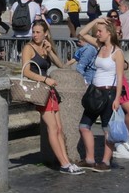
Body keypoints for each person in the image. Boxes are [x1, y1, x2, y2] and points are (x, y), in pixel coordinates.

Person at [21, 20, 83, 174]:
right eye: (33, 32)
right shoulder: (28, 48)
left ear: (45, 34)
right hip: (40, 90)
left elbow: (62, 66)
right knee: (53, 128)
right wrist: (45, 79)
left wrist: (50, 52)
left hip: (49, 91)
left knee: (59, 128)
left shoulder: (45, 47)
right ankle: (64, 164)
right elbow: (26, 71)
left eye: (38, 32)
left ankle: (66, 161)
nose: (35, 35)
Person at [76, 18, 124, 172]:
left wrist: (117, 98)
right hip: (95, 92)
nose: (97, 34)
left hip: (109, 93)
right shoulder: (99, 45)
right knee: (84, 126)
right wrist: (97, 20)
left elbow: (120, 77)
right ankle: (90, 159)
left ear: (109, 33)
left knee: (106, 130)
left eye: (100, 31)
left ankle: (106, 161)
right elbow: (82, 34)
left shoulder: (117, 52)